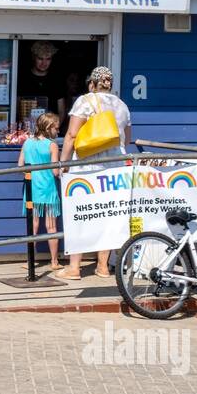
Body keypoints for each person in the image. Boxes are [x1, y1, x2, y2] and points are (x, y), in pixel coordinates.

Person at [58, 66, 133, 280]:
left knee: (80, 213)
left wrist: (63, 163)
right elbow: (125, 141)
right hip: (115, 167)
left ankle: (74, 268)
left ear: (91, 83)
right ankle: (102, 266)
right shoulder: (122, 106)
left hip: (86, 166)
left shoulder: (85, 101)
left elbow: (72, 135)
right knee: (108, 214)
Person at [19, 111, 63, 272]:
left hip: (32, 189)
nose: (57, 132)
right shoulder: (52, 145)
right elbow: (55, 172)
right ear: (49, 127)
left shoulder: (27, 143)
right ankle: (54, 261)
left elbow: (20, 166)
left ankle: (29, 260)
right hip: (49, 189)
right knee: (51, 227)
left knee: (33, 225)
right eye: (56, 129)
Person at [16, 41, 67, 125]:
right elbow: (17, 108)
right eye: (40, 58)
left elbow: (61, 111)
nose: (44, 63)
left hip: (50, 129)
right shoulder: (23, 78)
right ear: (33, 57)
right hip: (28, 130)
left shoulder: (56, 80)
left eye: (48, 59)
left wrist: (53, 129)